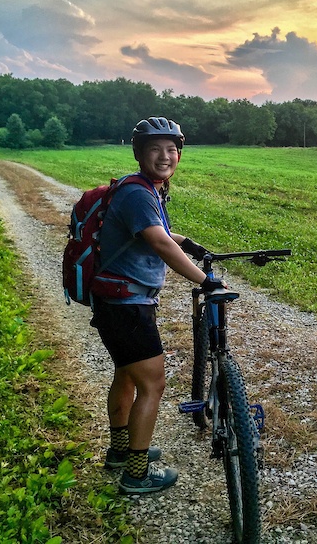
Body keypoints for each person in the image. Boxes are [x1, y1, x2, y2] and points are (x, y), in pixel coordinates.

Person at [90, 116, 223, 494]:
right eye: (155, 149)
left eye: (172, 149)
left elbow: (162, 234)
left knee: (126, 375)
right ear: (140, 154)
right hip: (126, 304)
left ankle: (120, 452)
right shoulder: (137, 192)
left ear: (179, 154)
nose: (165, 156)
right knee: (153, 384)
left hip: (119, 300)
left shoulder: (148, 189)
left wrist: (190, 242)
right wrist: (206, 280)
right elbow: (159, 242)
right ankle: (136, 473)